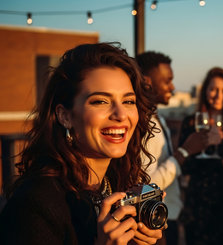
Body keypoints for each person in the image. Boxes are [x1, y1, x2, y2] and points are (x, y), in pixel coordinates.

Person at [0, 43, 164, 244]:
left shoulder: (119, 186)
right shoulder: (34, 205)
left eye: (128, 101)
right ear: (65, 116)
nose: (121, 115)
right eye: (100, 101)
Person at [135, 51, 207, 245]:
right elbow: (146, 186)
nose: (173, 87)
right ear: (147, 81)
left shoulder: (158, 117)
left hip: (167, 215)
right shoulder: (142, 125)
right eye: (167, 81)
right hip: (155, 221)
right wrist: (184, 152)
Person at [178, 67, 223, 245]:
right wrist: (203, 145)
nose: (218, 95)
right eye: (213, 89)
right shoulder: (191, 122)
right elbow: (183, 165)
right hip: (198, 205)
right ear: (205, 92)